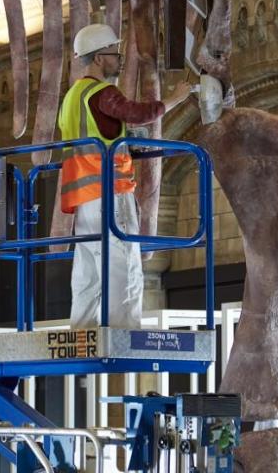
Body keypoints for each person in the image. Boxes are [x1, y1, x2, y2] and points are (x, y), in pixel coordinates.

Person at [58, 23, 192, 329]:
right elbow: (136, 112)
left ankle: (83, 334)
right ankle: (123, 335)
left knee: (89, 270)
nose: (118, 59)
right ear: (97, 58)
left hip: (83, 200)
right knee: (124, 262)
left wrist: (125, 138)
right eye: (113, 53)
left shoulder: (72, 97)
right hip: (110, 192)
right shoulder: (101, 91)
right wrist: (176, 99)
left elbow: (97, 132)